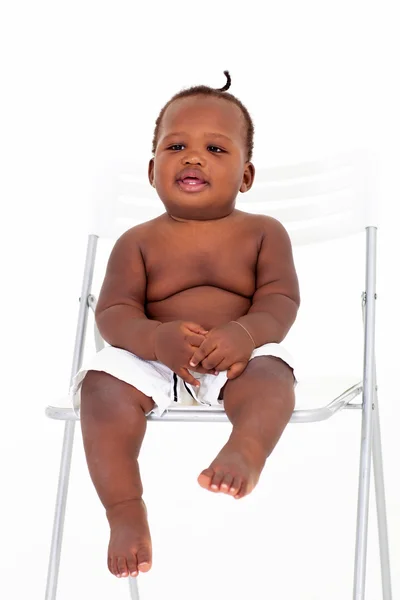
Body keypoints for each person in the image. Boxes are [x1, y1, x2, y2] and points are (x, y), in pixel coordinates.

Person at [71, 71, 300, 580]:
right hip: (152, 362)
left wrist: (245, 334)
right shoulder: (138, 241)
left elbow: (281, 302)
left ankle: (246, 448)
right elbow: (113, 313)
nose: (193, 157)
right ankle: (125, 509)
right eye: (177, 145)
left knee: (274, 375)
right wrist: (154, 338)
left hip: (235, 363)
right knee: (101, 386)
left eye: (216, 149)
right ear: (153, 169)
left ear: (246, 176)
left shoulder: (263, 233)